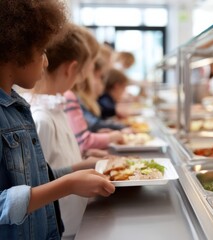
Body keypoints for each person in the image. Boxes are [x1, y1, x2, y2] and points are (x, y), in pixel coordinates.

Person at [0, 1, 115, 239]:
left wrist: (79, 169)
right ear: (17, 48)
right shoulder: (32, 115)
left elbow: (38, 179)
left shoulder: (17, 109)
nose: (46, 60)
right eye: (42, 50)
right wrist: (68, 185)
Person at [25, 23, 106, 239]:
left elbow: (54, 167)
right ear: (71, 69)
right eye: (81, 73)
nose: (80, 80)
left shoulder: (56, 110)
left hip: (74, 219)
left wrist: (85, 163)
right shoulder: (42, 119)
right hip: (62, 226)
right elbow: (36, 186)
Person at [64, 26, 123, 153]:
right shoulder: (69, 97)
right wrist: (117, 131)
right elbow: (84, 141)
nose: (102, 83)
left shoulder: (67, 97)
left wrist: (97, 133)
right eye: (100, 77)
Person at [74, 55, 127, 132]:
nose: (102, 83)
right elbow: (95, 125)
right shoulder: (76, 99)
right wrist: (122, 127)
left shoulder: (88, 101)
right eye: (99, 77)